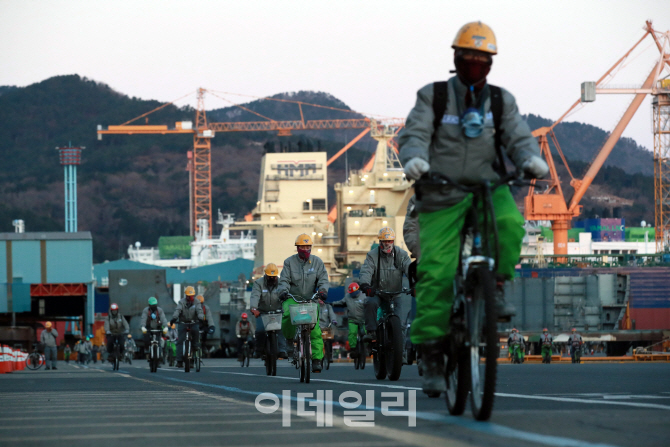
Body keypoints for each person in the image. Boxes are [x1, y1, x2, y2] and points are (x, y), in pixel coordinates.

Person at [398, 21, 549, 395]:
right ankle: (432, 353)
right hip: (440, 190)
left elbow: (518, 136)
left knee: (512, 224)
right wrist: (414, 159)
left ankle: (494, 285)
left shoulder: (501, 101)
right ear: (456, 59)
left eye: (482, 61)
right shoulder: (432, 97)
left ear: (491, 64)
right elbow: (414, 133)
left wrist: (530, 159)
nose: (475, 66)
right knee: (434, 273)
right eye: (468, 59)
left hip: (486, 187)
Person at [277, 233, 330, 373]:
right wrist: (283, 292)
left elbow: (323, 278)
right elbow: (284, 280)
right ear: (297, 247)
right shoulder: (289, 262)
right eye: (302, 246)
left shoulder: (317, 262)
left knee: (315, 329)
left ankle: (317, 359)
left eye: (308, 246)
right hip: (292, 297)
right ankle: (289, 339)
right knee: (287, 315)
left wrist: (323, 291)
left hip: (311, 298)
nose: (305, 249)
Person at [359, 227, 412, 341]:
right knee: (369, 303)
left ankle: (401, 356)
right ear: (380, 241)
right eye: (384, 241)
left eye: (389, 241)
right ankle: (372, 331)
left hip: (395, 294)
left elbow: (410, 270)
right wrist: (365, 285)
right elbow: (366, 271)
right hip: (378, 293)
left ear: (393, 241)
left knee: (400, 326)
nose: (387, 244)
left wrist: (415, 284)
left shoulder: (402, 254)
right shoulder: (372, 255)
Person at [250, 263, 288, 359]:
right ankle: (258, 350)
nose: (272, 279)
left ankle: (282, 350)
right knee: (260, 330)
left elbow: (285, 293)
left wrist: (285, 298)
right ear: (265, 275)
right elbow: (255, 296)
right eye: (269, 277)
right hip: (262, 312)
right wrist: (254, 308)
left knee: (281, 329)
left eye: (274, 277)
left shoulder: (281, 283)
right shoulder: (258, 283)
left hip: (277, 312)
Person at [169, 286, 205, 368]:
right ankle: (179, 361)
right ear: (185, 295)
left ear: (194, 296)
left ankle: (193, 354)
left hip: (193, 322)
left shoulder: (197, 302)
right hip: (183, 323)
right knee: (180, 341)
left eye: (191, 296)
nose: (190, 298)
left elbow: (199, 311)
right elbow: (177, 310)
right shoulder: (181, 302)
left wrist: (201, 318)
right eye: (188, 296)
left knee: (195, 332)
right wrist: (174, 318)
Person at [331, 282, 366, 358]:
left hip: (363, 320)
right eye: (351, 293)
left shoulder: (364, 296)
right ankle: (353, 349)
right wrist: (332, 303)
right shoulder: (347, 297)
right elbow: (340, 302)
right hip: (352, 320)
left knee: (366, 333)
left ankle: (367, 348)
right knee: (352, 333)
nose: (352, 294)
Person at [140, 297, 168, 361]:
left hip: (158, 328)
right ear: (149, 305)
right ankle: (148, 352)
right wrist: (143, 327)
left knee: (159, 342)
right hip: (148, 328)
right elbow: (143, 319)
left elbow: (163, 318)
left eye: (155, 305)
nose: (153, 307)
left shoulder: (160, 310)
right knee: (146, 340)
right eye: (152, 305)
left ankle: (159, 356)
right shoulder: (146, 310)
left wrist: (165, 326)